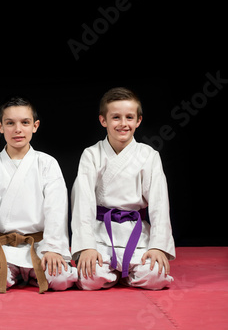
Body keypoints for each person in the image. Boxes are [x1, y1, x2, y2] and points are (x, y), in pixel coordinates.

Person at [71, 87, 176, 290]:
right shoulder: (91, 155)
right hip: (100, 231)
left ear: (138, 121)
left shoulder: (149, 155)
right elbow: (83, 202)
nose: (123, 124)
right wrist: (87, 246)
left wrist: (157, 247)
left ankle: (124, 275)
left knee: (156, 277)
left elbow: (159, 203)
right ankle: (117, 273)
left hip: (136, 233)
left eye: (129, 117)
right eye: (116, 117)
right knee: (90, 279)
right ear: (104, 121)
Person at [0, 96, 77, 293]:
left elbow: (56, 210)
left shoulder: (47, 163)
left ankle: (28, 272)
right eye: (10, 123)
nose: (17, 129)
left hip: (39, 244)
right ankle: (23, 273)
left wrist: (53, 248)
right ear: (0, 127)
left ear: (35, 126)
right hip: (2, 246)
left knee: (61, 279)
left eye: (25, 122)